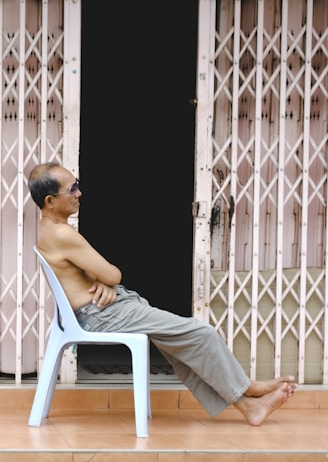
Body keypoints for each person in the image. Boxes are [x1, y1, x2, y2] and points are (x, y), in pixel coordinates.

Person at [28, 161, 295, 426]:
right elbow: (112, 274)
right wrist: (106, 281)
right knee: (201, 333)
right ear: (50, 201)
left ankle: (247, 403)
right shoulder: (62, 233)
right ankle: (248, 390)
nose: (79, 193)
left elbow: (93, 275)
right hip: (101, 315)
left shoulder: (49, 231)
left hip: (102, 309)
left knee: (177, 342)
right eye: (72, 189)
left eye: (77, 185)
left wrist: (105, 283)